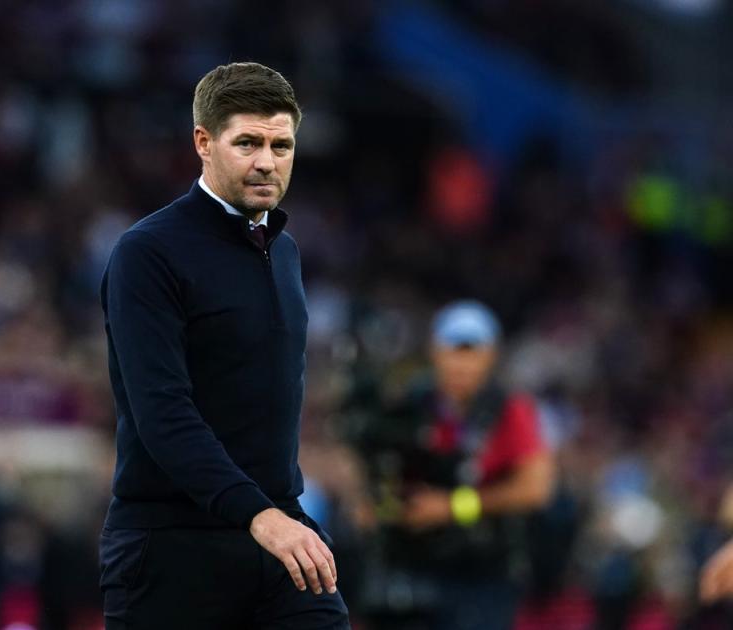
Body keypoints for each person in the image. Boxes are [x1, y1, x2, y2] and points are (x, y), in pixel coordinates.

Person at [98, 62, 349, 629]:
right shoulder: (148, 253)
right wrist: (258, 513)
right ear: (203, 142)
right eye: (248, 143)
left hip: (279, 537)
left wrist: (277, 514)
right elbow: (162, 414)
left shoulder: (285, 253)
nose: (267, 161)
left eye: (282, 145)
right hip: (170, 549)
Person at [350, 300, 555, 630]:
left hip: (483, 573)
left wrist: (452, 507)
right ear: (435, 351)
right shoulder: (413, 404)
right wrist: (378, 504)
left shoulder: (509, 409)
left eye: (472, 351)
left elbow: (536, 489)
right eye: (453, 350)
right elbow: (379, 462)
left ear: (491, 356)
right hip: (414, 567)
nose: (461, 363)